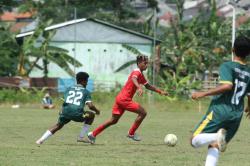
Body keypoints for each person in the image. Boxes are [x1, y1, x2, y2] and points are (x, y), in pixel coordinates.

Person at [191, 35, 250, 166]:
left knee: (194, 140)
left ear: (233, 49)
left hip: (220, 110)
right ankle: (217, 138)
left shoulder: (227, 66)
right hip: (236, 115)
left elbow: (227, 86)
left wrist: (202, 93)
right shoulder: (249, 71)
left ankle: (215, 136)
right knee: (215, 146)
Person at [87, 55, 168, 144]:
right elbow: (134, 78)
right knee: (143, 112)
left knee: (113, 121)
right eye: (145, 63)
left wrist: (160, 91)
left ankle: (93, 134)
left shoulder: (140, 74)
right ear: (139, 63)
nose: (146, 65)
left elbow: (148, 86)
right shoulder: (136, 72)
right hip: (124, 100)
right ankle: (131, 133)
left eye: (147, 63)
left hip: (120, 98)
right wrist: (139, 87)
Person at [36, 72, 100, 144]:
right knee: (91, 115)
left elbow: (64, 102)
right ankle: (81, 137)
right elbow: (90, 106)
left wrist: (61, 110)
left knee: (58, 125)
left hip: (65, 113)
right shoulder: (86, 91)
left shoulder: (69, 89)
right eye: (87, 81)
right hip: (77, 114)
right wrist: (97, 111)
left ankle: (40, 140)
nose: (87, 83)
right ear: (83, 81)